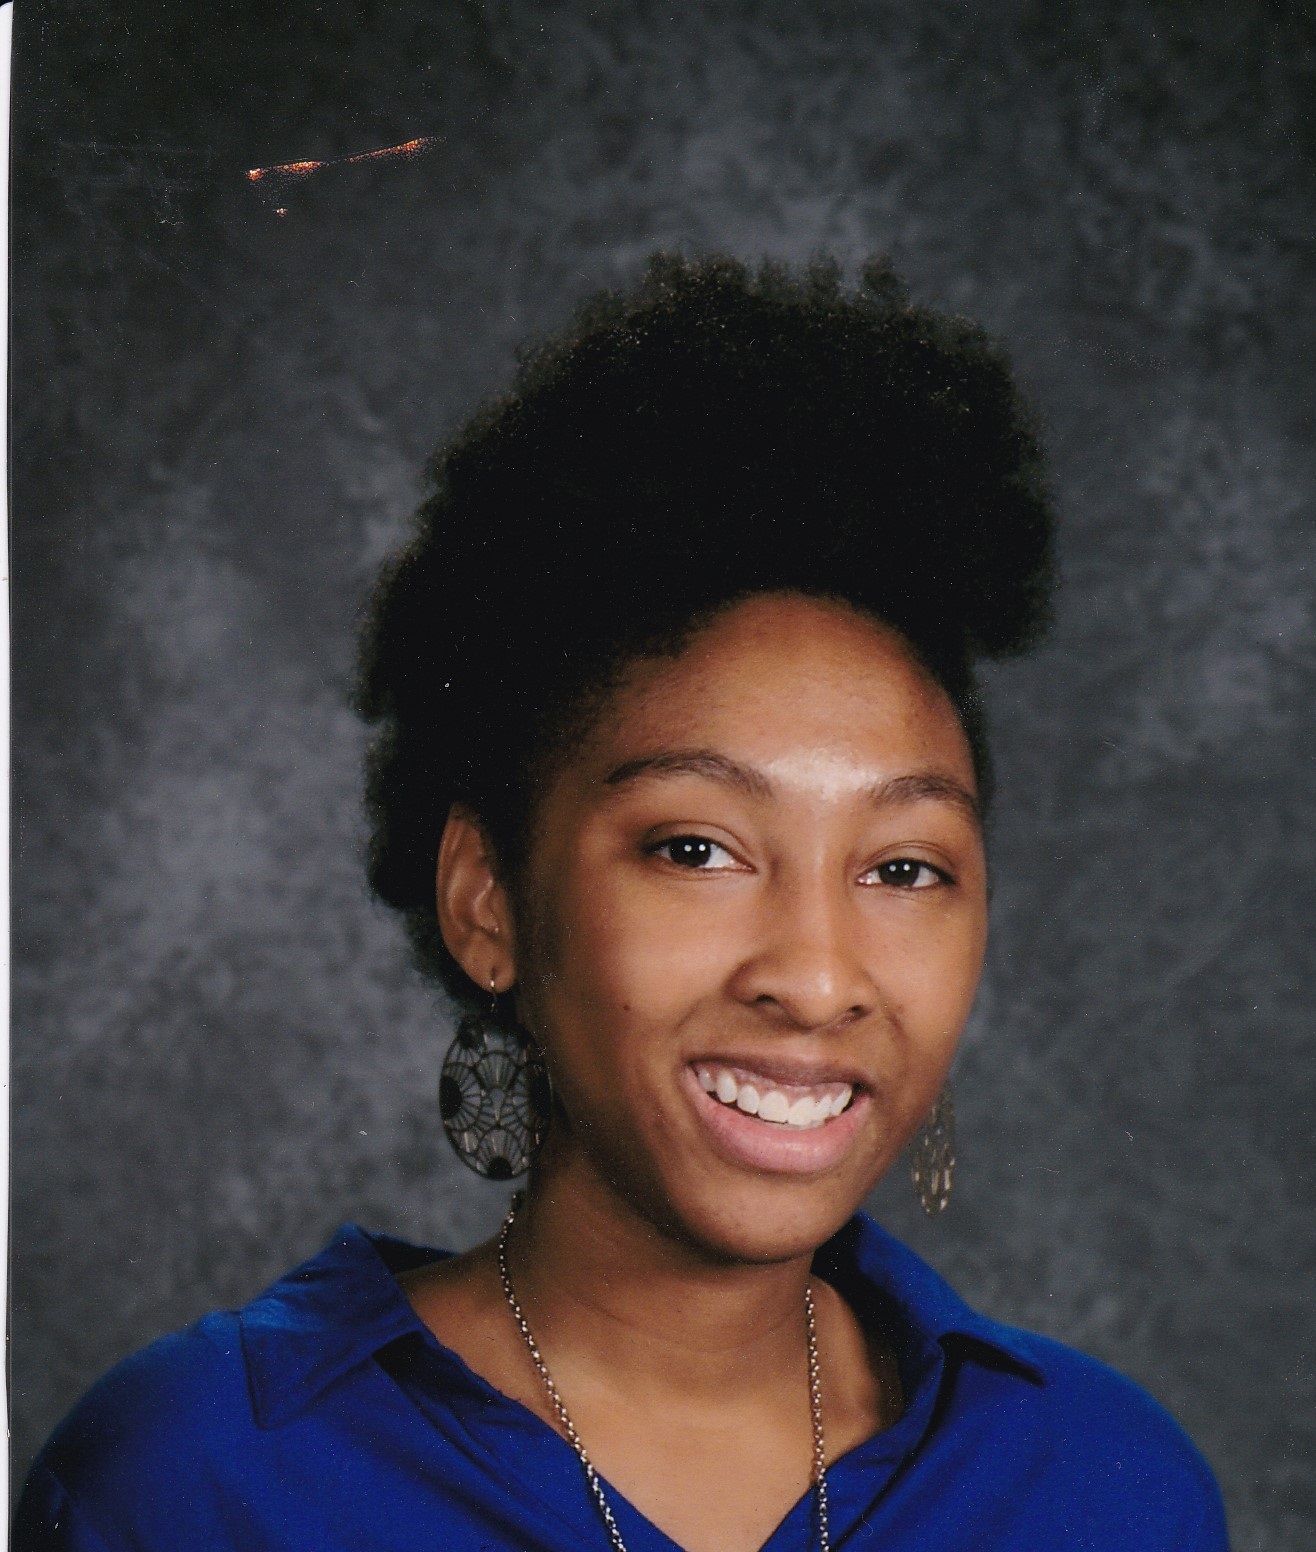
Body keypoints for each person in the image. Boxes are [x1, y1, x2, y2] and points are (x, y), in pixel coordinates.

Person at [14, 254, 1229, 1550]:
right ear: (487, 901)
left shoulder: (1109, 1491)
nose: (818, 977)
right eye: (697, 849)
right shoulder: (193, 1481)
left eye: (903, 868)